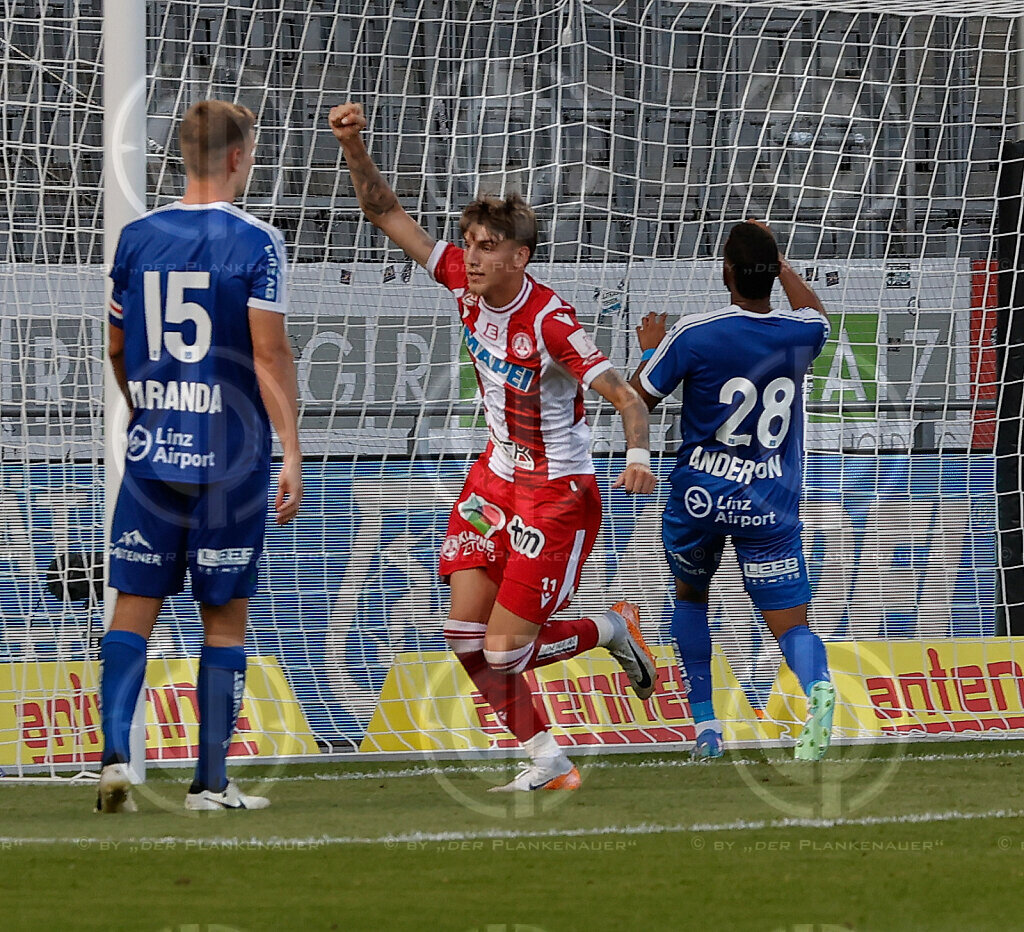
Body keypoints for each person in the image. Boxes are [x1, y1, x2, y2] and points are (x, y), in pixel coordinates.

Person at [329, 101, 658, 791]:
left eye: (485, 247)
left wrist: (636, 458)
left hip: (555, 499)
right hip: (493, 481)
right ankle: (548, 760)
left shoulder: (552, 322)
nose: (470, 257)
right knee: (462, 637)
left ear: (519, 257)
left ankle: (610, 628)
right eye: (467, 243)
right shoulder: (460, 281)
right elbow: (385, 211)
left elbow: (626, 398)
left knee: (505, 652)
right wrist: (355, 146)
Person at [97, 100, 302, 812]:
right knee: (224, 620)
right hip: (230, 460)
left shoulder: (136, 236)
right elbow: (270, 353)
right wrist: (294, 454)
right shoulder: (256, 240)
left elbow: (118, 346)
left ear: (183, 154)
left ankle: (117, 753)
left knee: (132, 609)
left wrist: (146, 404)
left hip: (153, 454)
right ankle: (210, 783)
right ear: (240, 156)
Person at [629, 220, 835, 761]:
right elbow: (817, 313)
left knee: (690, 596)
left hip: (701, 499)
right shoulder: (801, 335)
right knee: (791, 625)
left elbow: (634, 399)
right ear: (771, 273)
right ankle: (818, 687)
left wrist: (651, 351)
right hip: (768, 503)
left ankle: (706, 731)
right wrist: (780, 263)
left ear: (725, 271)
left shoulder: (696, 333)